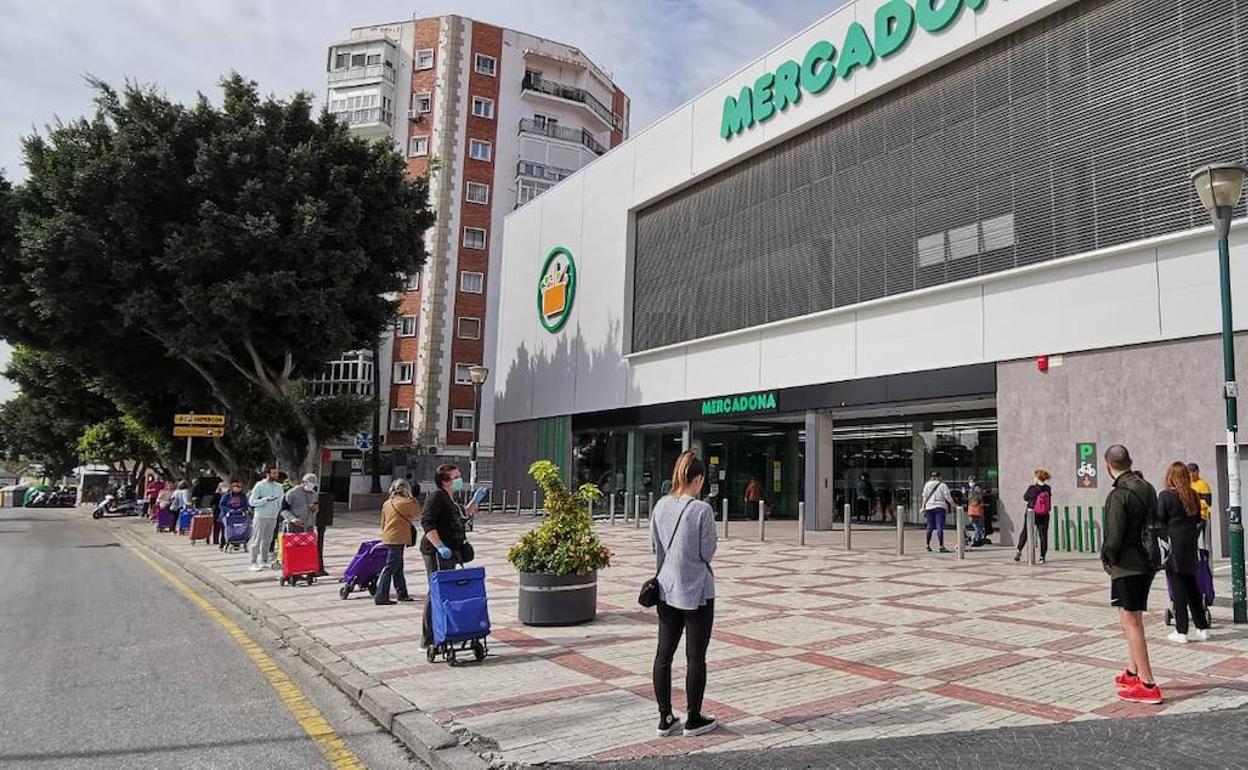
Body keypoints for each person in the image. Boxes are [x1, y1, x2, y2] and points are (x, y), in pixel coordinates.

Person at [650, 451, 719, 738]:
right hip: (698, 592)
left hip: (667, 590)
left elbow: (655, 548)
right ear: (699, 479)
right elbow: (708, 553)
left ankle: (665, 717)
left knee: (663, 655)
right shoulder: (702, 510)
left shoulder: (660, 506)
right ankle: (694, 718)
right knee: (696, 657)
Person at [1100, 444, 1163, 705]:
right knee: (1127, 617)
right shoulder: (1146, 487)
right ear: (1130, 461)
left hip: (1127, 564)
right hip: (1147, 560)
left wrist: (1107, 558)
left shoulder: (1119, 495)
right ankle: (1132, 670)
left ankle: (1147, 683)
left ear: (1107, 466)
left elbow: (1113, 537)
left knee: (1132, 621)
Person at [419, 464, 478, 645]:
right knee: (436, 591)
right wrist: (440, 546)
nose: (460, 480)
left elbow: (462, 515)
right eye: (456, 477)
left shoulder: (452, 498)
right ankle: (429, 639)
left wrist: (475, 501)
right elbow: (427, 522)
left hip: (452, 552)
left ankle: (446, 630)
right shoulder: (437, 497)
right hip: (436, 552)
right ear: (445, 482)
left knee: (448, 591)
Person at [1159, 462, 1211, 644]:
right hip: (1190, 547)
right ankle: (1202, 628)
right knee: (1193, 588)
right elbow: (1198, 519)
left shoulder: (1166, 496)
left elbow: (1160, 519)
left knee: (1178, 590)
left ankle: (1181, 631)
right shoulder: (1194, 495)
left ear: (1171, 477)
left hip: (1173, 547)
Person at [375, 478, 421, 605]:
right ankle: (381, 595)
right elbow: (417, 511)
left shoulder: (387, 503)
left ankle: (402, 593)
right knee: (390, 568)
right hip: (398, 538)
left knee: (398, 567)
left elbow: (383, 522)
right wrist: (412, 497)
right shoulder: (405, 502)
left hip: (389, 537)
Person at [247, 466, 285, 571]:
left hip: (273, 516)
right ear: (268, 474)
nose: (276, 475)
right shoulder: (260, 485)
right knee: (256, 539)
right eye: (274, 473)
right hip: (261, 516)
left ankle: (263, 560)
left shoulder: (279, 487)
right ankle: (253, 562)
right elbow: (251, 502)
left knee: (268, 540)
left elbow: (281, 501)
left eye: (277, 473)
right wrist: (265, 500)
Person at [285, 473, 324, 574]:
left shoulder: (314, 495)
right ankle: (294, 568)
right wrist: (292, 519)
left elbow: (316, 508)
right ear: (303, 482)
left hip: (309, 526)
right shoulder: (292, 493)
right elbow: (283, 510)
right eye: (309, 485)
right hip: (295, 525)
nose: (310, 487)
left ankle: (307, 568)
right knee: (295, 548)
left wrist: (314, 509)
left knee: (309, 548)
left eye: (313, 486)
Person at [1016, 469, 1053, 563]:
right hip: (1044, 514)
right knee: (1043, 535)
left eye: (1034, 476)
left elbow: (1025, 497)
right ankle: (1042, 557)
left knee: (1026, 532)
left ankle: (1019, 550)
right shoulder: (1048, 488)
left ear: (1037, 478)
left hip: (1031, 513)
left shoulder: (1032, 488)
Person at [920, 472, 953, 553]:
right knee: (939, 527)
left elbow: (924, 497)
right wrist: (955, 505)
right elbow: (948, 497)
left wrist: (923, 506)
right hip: (940, 507)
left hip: (929, 507)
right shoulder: (942, 485)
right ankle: (941, 546)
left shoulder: (927, 484)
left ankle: (927, 545)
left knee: (929, 527)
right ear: (939, 477)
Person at [217, 479, 249, 550]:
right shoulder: (227, 496)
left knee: (238, 529)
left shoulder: (243, 496)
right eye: (235, 486)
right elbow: (221, 505)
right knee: (225, 530)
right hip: (227, 516)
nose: (237, 488)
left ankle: (236, 544)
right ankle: (223, 544)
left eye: (239, 486)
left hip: (239, 515)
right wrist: (228, 510)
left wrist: (242, 509)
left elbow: (245, 505)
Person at [1188, 462, 1212, 539]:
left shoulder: (1203, 484)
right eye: (1189, 472)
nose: (1191, 474)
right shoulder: (1189, 484)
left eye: (1193, 472)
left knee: (1194, 538)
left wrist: (1194, 504)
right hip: (1191, 516)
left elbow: (1208, 503)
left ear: (1197, 472)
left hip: (1202, 516)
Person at [966, 477, 985, 546]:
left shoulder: (974, 489)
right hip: (976, 509)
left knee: (977, 525)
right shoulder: (976, 489)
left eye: (971, 481)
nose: (970, 483)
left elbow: (975, 499)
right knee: (977, 525)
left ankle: (977, 539)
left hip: (974, 509)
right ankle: (978, 539)